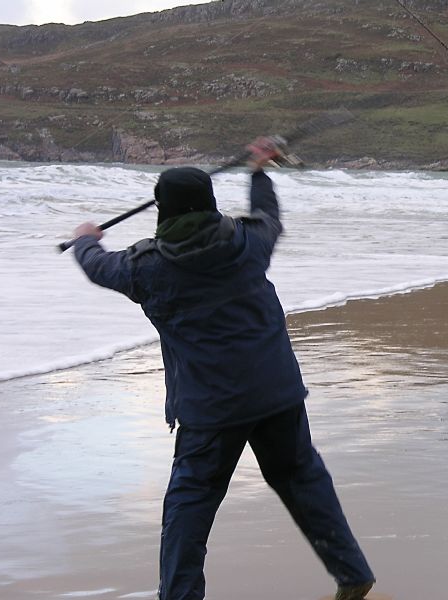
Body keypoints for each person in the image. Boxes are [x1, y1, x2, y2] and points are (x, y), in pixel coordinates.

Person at [70, 137, 375, 600]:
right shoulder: (247, 242)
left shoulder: (145, 268)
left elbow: (97, 266)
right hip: (276, 393)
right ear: (211, 204)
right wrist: (257, 172)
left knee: (190, 504)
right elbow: (270, 218)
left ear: (162, 211)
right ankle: (352, 573)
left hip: (209, 409)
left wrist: (84, 240)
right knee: (301, 478)